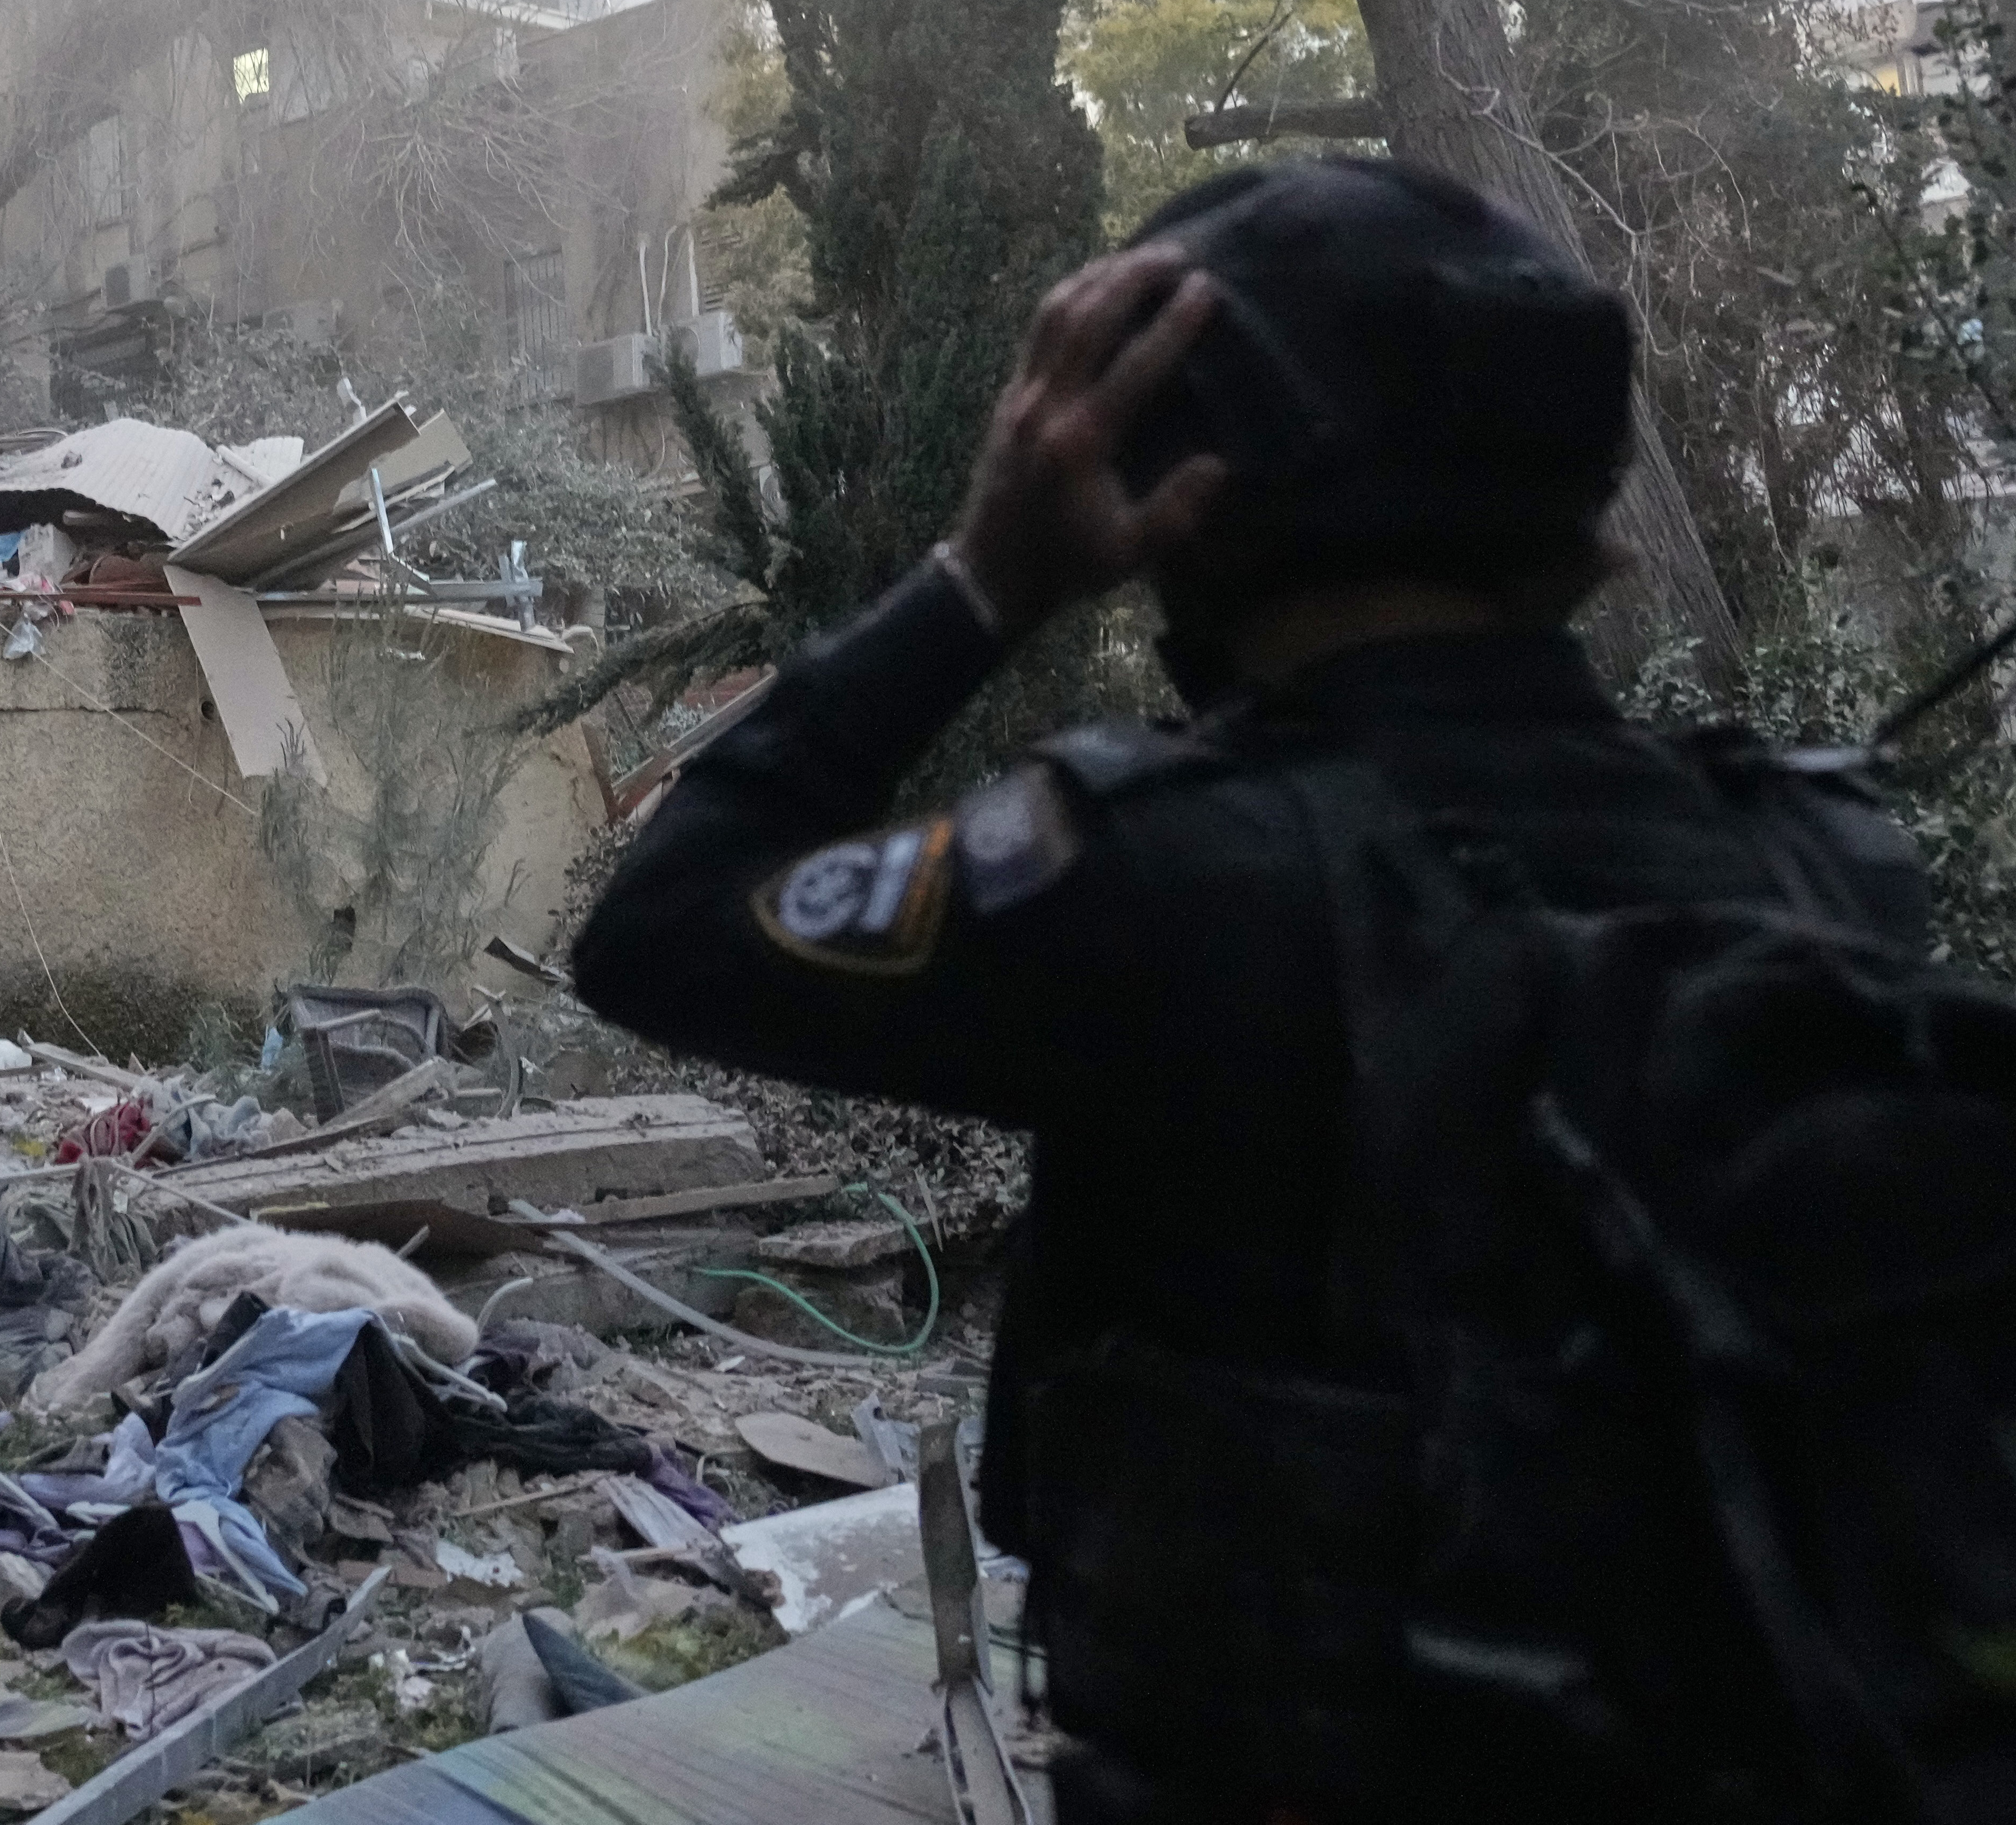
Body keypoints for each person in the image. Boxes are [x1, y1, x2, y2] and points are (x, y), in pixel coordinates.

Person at [570, 158, 1934, 1824]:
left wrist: (984, 580)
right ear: (1578, 520)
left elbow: (658, 926)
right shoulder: (1819, 865)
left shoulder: (1156, 874)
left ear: (1184, 501)